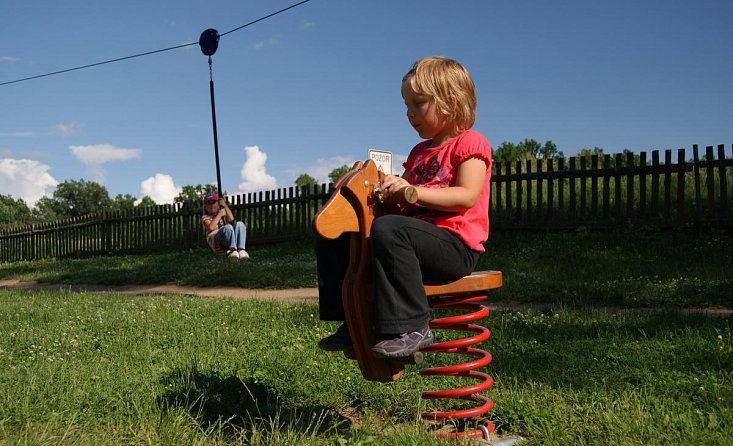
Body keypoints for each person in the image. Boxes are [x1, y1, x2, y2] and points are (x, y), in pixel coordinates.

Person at [316, 56, 492, 358]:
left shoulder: (470, 143)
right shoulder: (419, 153)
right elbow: (404, 202)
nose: (409, 114)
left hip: (455, 247)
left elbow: (465, 196)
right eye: (406, 106)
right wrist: (383, 187)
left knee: (391, 229)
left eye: (418, 103)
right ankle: (351, 320)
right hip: (414, 243)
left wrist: (411, 191)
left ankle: (412, 328)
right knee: (341, 232)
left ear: (449, 101)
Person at [201, 191, 250, 263]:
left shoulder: (222, 212)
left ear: (218, 203)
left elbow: (231, 219)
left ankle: (241, 250)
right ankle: (233, 251)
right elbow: (211, 228)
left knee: (240, 224)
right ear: (205, 206)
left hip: (228, 239)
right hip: (217, 242)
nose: (211, 205)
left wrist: (224, 205)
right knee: (228, 227)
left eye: (214, 202)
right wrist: (219, 215)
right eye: (208, 203)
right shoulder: (205, 217)